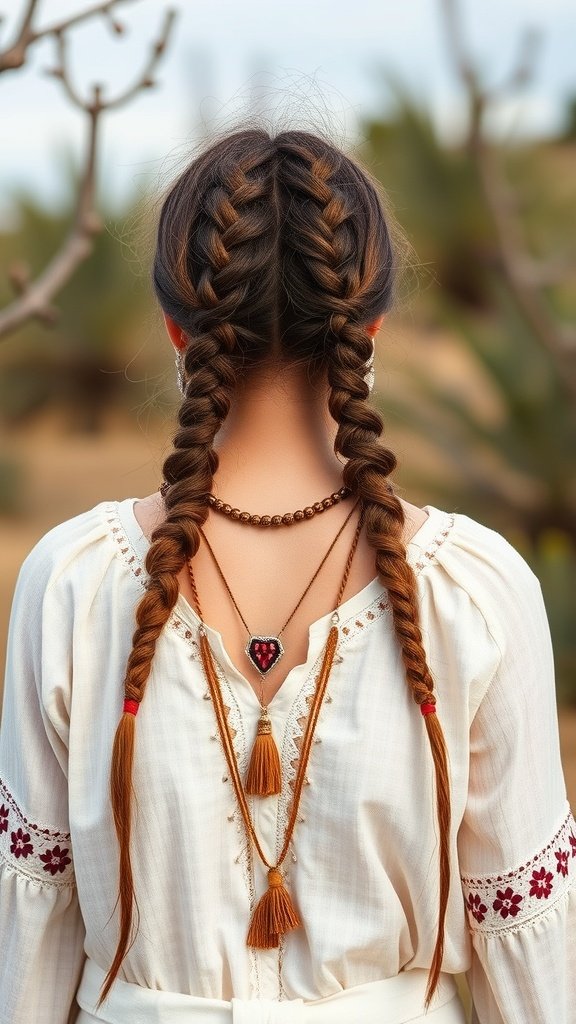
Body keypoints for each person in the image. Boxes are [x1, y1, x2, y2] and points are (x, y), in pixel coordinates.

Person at [0, 127, 574, 1024]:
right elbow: (531, 953)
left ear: (175, 328)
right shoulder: (479, 592)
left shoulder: (71, 584)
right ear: (370, 326)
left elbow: (27, 950)